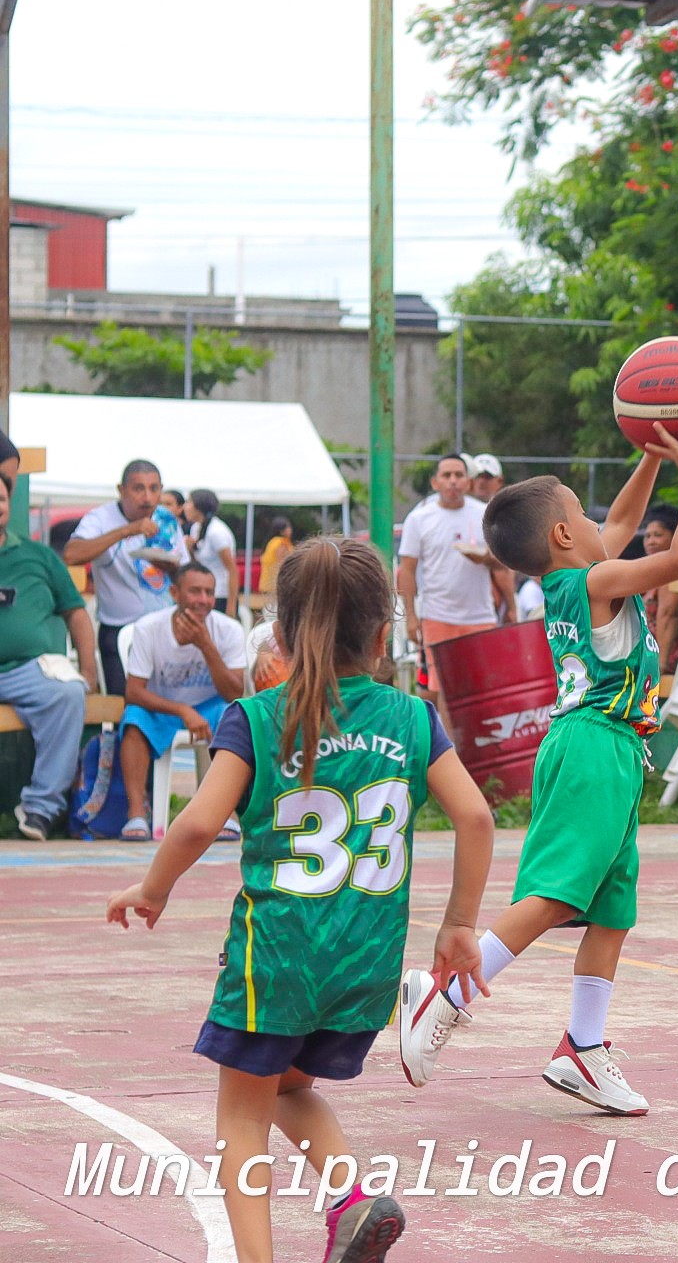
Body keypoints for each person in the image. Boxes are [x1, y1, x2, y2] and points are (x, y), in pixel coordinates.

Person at [106, 537, 495, 1263]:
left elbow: (197, 823)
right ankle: (351, 1197)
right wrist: (459, 924)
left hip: (277, 957)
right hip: (366, 963)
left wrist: (152, 889)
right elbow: (476, 816)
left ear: (280, 636)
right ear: (381, 638)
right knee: (284, 1087)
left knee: (240, 1119)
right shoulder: (413, 719)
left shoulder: (256, 718)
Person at [397, 416, 678, 1116]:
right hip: (594, 746)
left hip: (612, 748)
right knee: (558, 896)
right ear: (567, 535)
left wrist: (651, 457)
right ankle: (443, 994)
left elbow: (621, 520)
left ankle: (582, 1049)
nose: (605, 523)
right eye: (585, 516)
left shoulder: (575, 581)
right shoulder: (596, 580)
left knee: (612, 911)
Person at [116, 563, 248, 842]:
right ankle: (136, 813)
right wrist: (182, 710)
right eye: (195, 591)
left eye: (209, 592)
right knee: (134, 717)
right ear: (175, 593)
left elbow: (235, 693)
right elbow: (134, 692)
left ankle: (227, 814)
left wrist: (206, 645)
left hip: (210, 708)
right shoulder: (148, 628)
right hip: (163, 708)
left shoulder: (229, 629)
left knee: (233, 715)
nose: (203, 600)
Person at [0, 477, 98, 840]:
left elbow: (76, 612)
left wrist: (88, 670)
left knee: (68, 694)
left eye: (1, 499)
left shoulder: (38, 556)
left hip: (28, 670)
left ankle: (41, 809)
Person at [398, 454, 515, 723]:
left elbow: (504, 562)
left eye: (459, 475)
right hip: (438, 616)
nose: (453, 481)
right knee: (442, 688)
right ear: (435, 482)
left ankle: (479, 740)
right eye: (447, 475)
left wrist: (484, 559)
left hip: (480, 616)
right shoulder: (419, 518)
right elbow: (407, 570)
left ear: (468, 482)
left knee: (482, 685)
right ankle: (450, 744)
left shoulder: (484, 514)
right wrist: (411, 617)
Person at [65, 459, 188, 695]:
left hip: (164, 628)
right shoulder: (101, 518)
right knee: (125, 705)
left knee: (167, 704)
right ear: (121, 490)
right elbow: (72, 554)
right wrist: (127, 531)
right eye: (138, 488)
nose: (147, 497)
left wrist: (170, 568)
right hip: (119, 629)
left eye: (154, 488)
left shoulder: (166, 519)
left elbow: (185, 572)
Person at [638, 506, 678, 675]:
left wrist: (661, 665)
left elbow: (668, 616)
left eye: (658, 535)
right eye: (647, 536)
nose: (651, 541)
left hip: (661, 661)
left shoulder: (671, 574)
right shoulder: (652, 574)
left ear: (674, 537)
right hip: (646, 656)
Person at [183, 489, 240, 617]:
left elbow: (232, 570)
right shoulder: (196, 528)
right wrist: (190, 550)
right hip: (205, 593)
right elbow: (199, 565)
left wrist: (231, 608)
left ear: (198, 506)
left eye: (188, 502)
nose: (184, 507)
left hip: (221, 596)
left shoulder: (216, 532)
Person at [258, 516, 293, 595]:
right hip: (276, 585)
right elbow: (282, 563)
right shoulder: (281, 543)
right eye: (288, 527)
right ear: (282, 531)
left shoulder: (272, 541)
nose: (290, 530)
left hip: (267, 584)